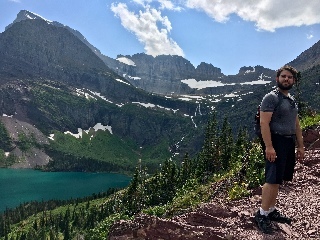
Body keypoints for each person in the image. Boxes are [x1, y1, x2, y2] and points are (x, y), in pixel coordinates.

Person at [254, 65, 305, 234]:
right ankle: (261, 214)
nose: (286, 79)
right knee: (272, 178)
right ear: (277, 79)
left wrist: (300, 145)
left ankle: (271, 210)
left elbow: (296, 124)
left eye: (290, 77)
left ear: (294, 81)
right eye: (283, 76)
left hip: (288, 142)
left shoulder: (291, 99)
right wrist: (269, 146)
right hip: (275, 140)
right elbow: (263, 123)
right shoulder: (271, 98)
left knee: (278, 179)